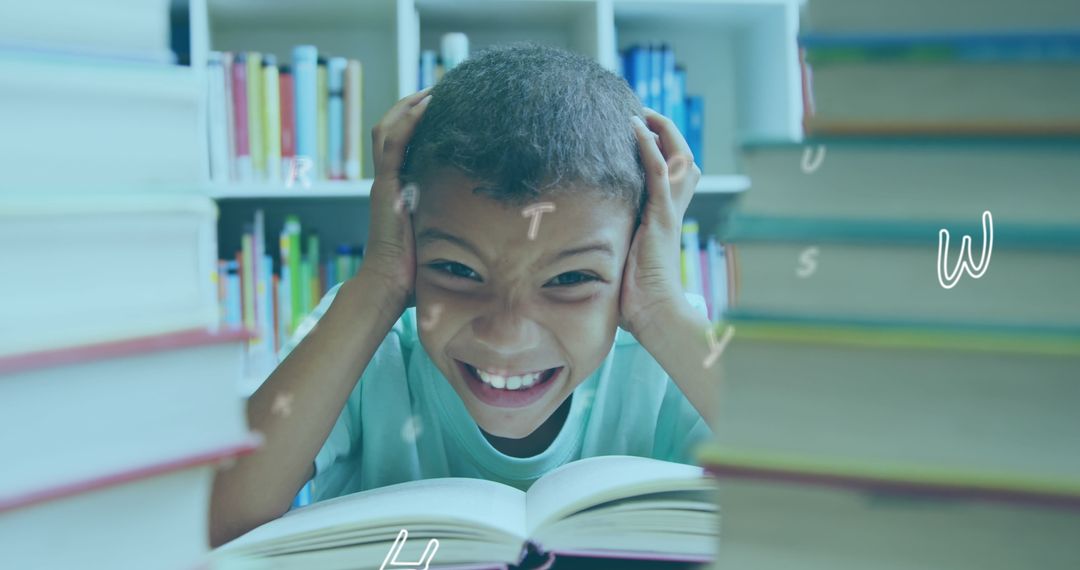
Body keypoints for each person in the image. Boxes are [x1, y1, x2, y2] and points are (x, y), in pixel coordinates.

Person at [210, 43, 720, 547]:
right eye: (456, 269)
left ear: (635, 256)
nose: (507, 336)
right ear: (407, 244)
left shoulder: (671, 347)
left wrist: (659, 308)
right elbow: (211, 523)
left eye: (570, 279)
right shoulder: (363, 339)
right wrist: (379, 283)